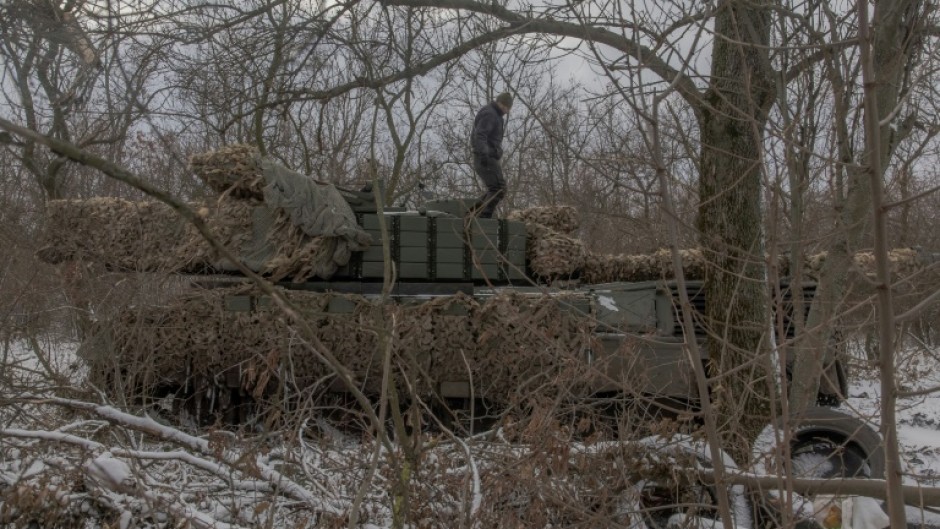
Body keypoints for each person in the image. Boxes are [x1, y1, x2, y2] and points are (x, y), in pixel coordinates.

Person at [469, 92, 512, 218]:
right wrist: (484, 154)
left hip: (489, 155)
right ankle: (482, 217)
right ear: (498, 102)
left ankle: (475, 213)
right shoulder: (490, 114)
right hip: (485, 157)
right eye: (504, 105)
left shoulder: (496, 115)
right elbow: (480, 135)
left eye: (508, 107)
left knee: (497, 188)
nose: (505, 109)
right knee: (498, 189)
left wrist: (496, 151)